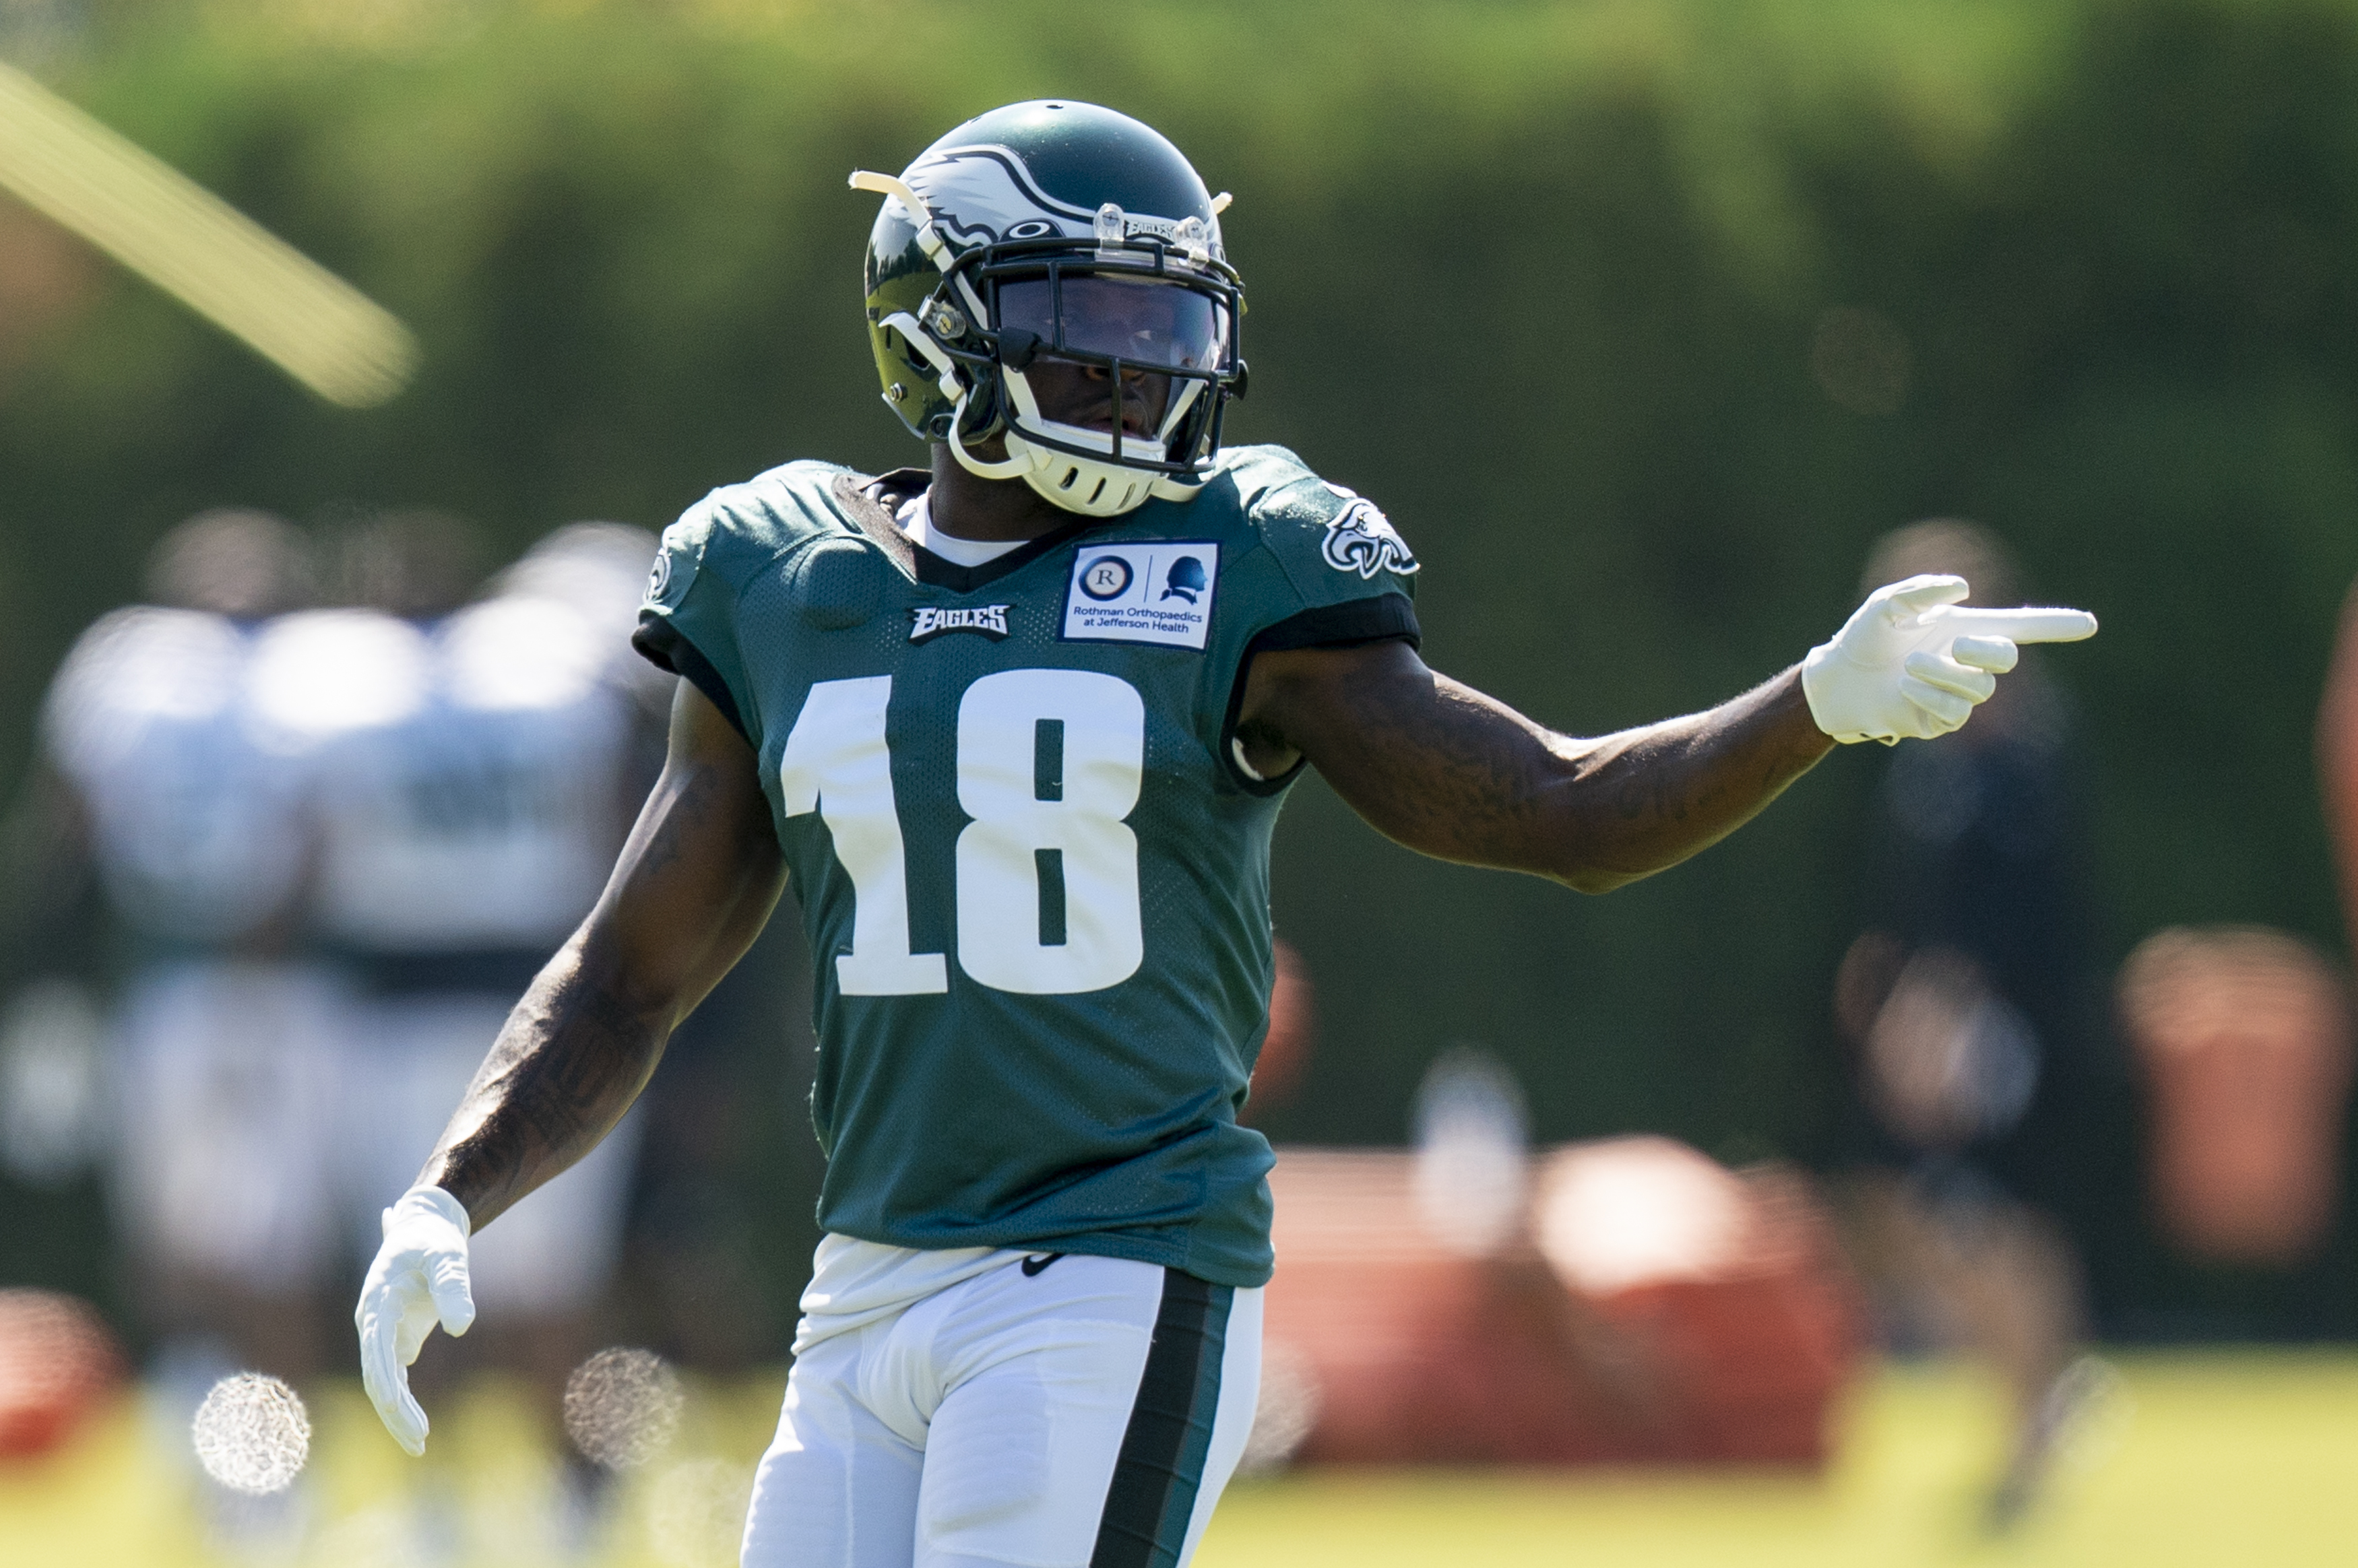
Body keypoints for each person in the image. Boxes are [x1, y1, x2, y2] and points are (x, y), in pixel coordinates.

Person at [354, 101, 2097, 1568]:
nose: (1142, 368)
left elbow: (1558, 809)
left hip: (1111, 1270)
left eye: (1167, 321)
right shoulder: (778, 577)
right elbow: (627, 973)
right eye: (1090, 321)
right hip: (867, 1282)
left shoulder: (1238, 565)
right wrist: (452, 1189)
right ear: (940, 332)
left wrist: (1810, 701)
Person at [258, 515, 660, 1460]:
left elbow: (305, 864)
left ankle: (438, 1498)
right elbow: (617, 841)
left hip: (398, 1005)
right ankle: (571, 1495)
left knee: (414, 1264)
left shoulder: (342, 695)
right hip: (548, 992)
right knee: (552, 1279)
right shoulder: (555, 684)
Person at [1828, 519, 2105, 1531]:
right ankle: (2036, 1405)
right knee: (1921, 1213)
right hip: (1934, 1021)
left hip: (2001, 1033)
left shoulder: (2023, 761)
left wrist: (1949, 1009)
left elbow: (2025, 919)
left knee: (1991, 1220)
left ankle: (2040, 1420)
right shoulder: (1930, 754)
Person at [21, 509, 340, 1386]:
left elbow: (339, 832)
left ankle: (268, 1432)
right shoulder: (134, 666)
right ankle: (207, 1415)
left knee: (274, 1234)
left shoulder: (317, 669)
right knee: (180, 1230)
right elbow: (72, 821)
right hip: (188, 975)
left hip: (265, 981)